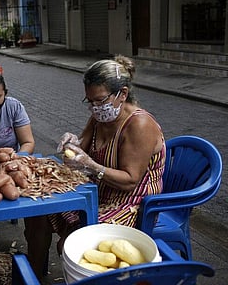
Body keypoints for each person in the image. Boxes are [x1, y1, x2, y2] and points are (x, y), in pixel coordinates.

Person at [24, 55, 166, 278]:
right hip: (96, 194)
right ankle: (33, 275)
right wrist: (72, 145)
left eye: (99, 101)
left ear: (123, 94)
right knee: (37, 212)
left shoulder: (140, 125)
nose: (94, 108)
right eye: (89, 101)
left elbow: (129, 180)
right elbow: (82, 148)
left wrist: (89, 164)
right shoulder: (99, 116)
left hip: (131, 204)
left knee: (73, 243)